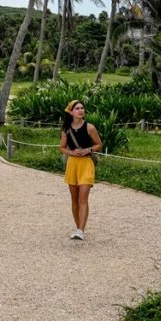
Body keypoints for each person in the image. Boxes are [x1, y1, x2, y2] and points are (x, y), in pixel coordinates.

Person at [60, 99, 102, 240]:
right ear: (71, 112)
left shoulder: (90, 127)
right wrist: (72, 153)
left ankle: (81, 230)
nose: (80, 110)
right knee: (74, 198)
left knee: (83, 197)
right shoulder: (66, 130)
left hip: (86, 164)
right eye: (77, 108)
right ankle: (78, 227)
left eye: (82, 108)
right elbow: (62, 147)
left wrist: (87, 150)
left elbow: (98, 144)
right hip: (72, 164)